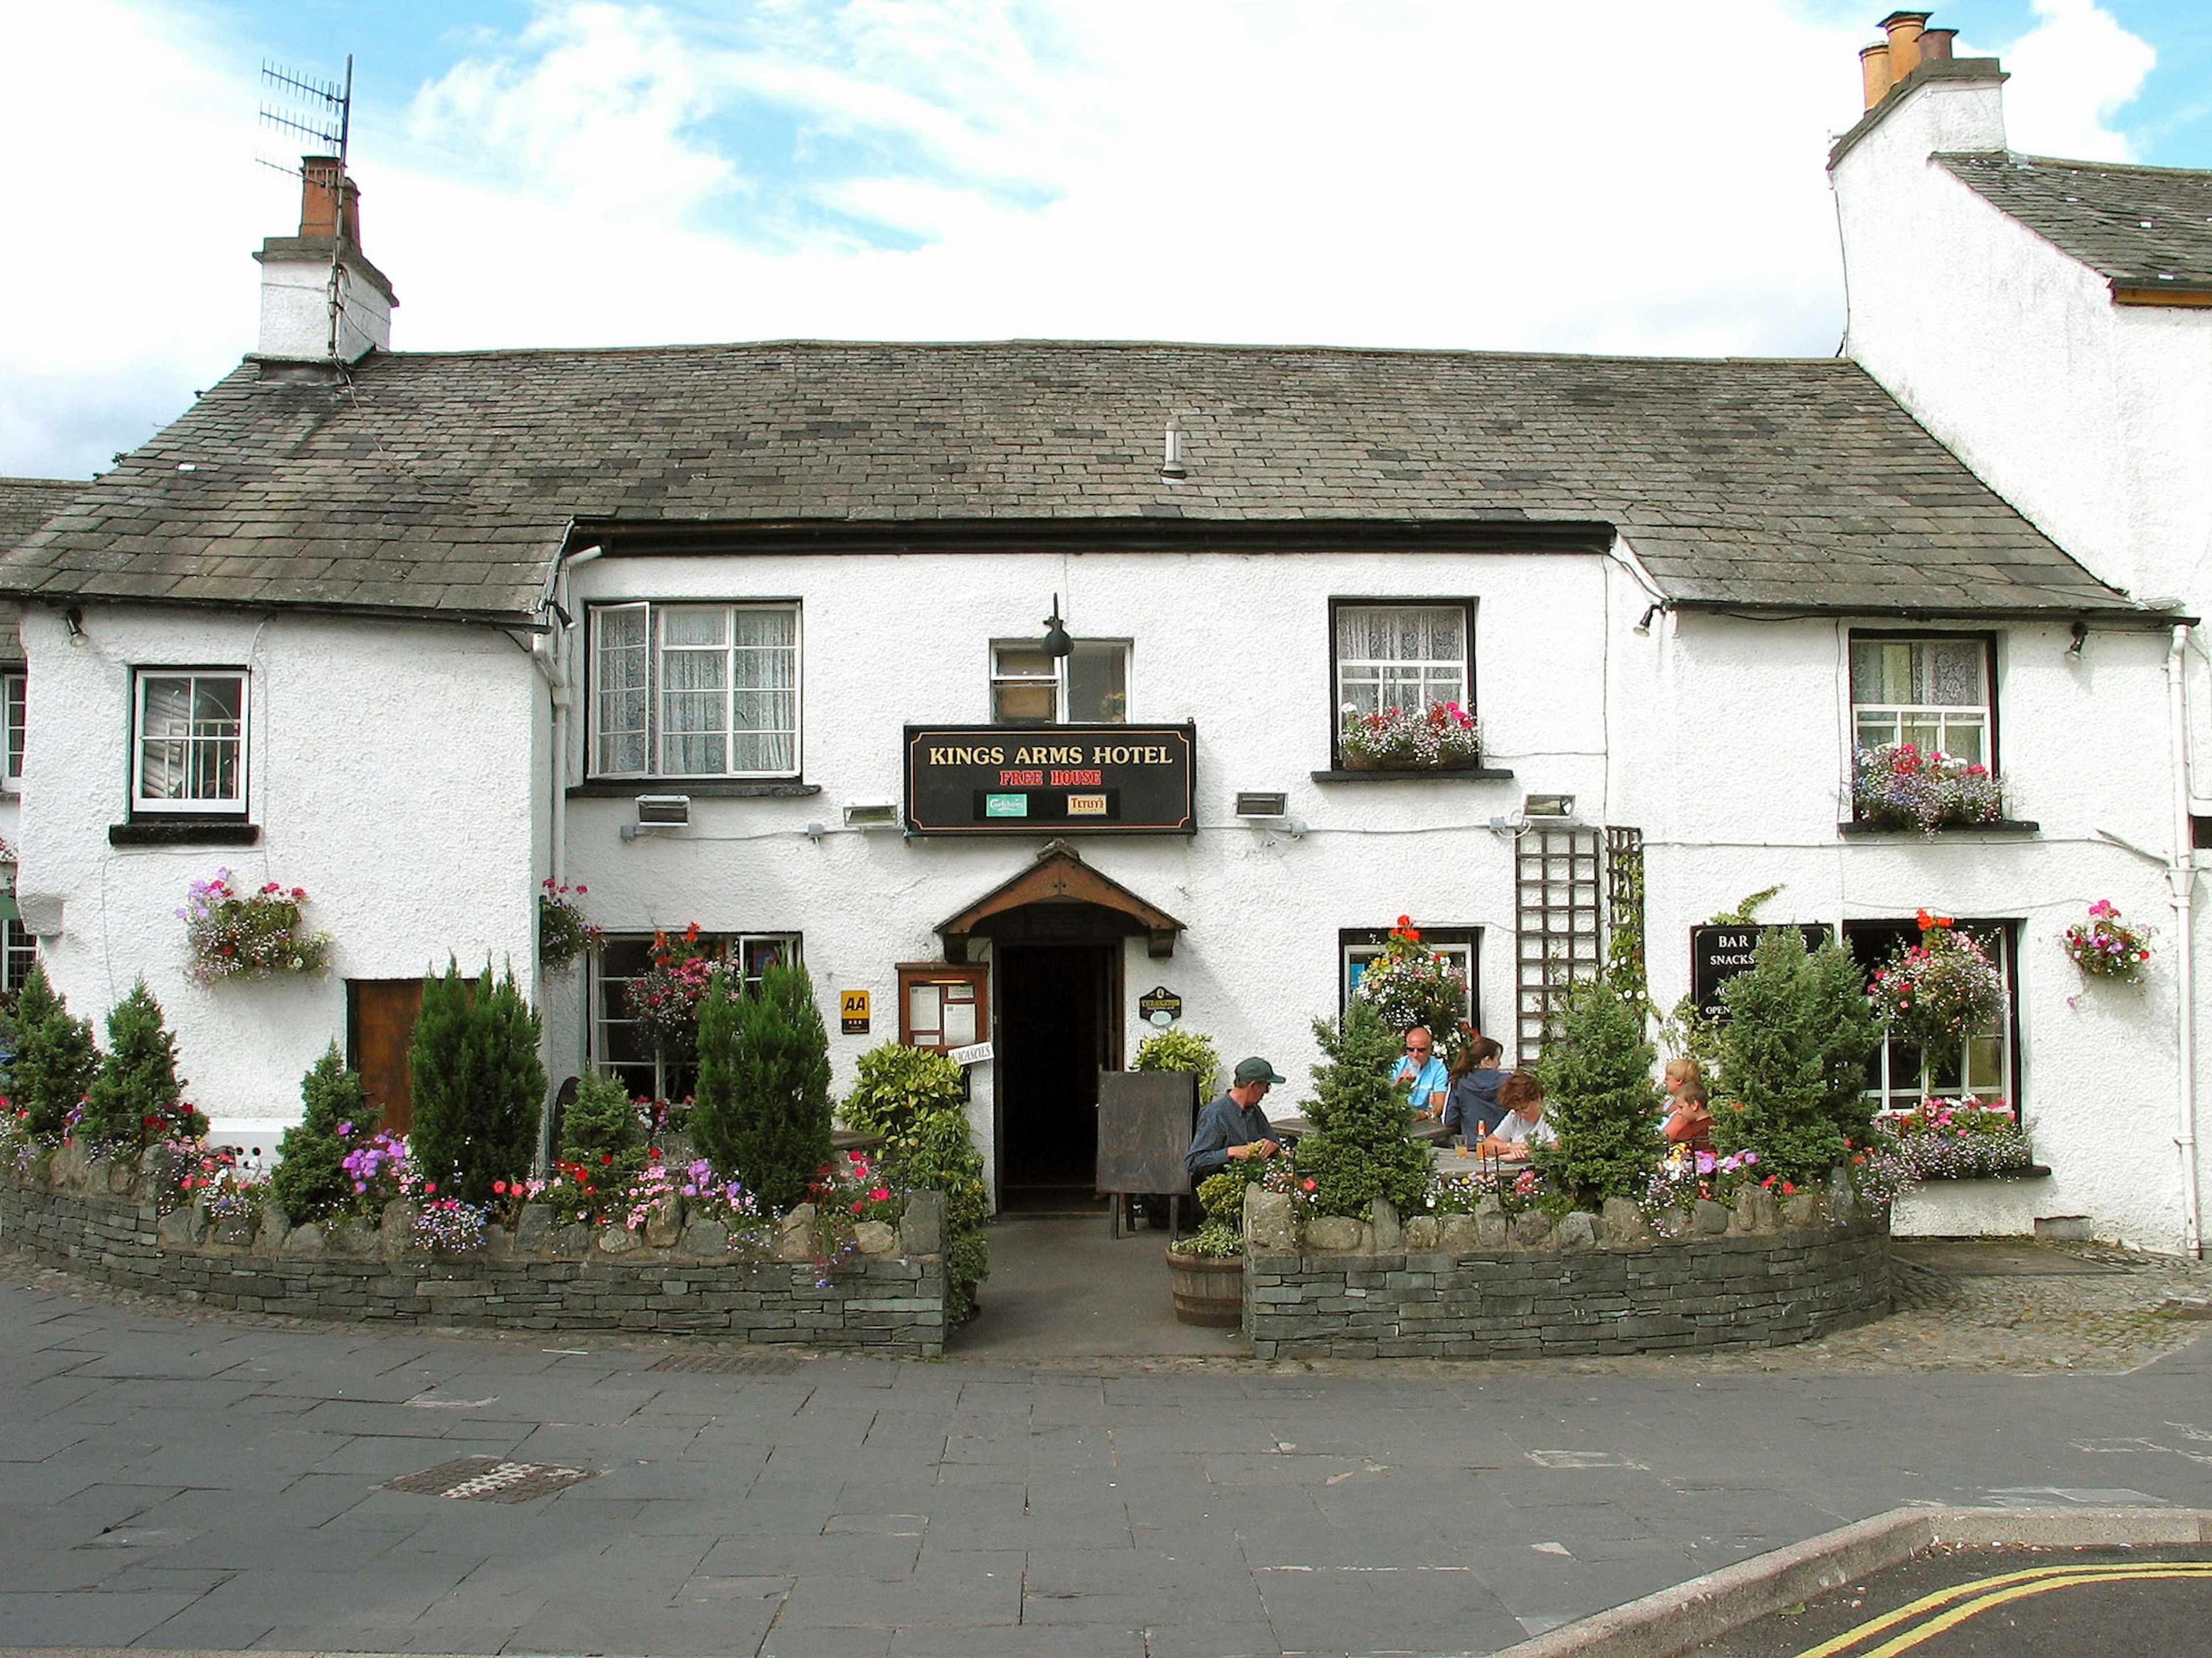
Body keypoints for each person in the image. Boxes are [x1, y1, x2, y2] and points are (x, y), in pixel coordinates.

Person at [1184, 1056, 1289, 1178]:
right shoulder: (1215, 1115)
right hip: (1224, 1188)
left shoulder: (1255, 1111)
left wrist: (1273, 1145)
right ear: (1253, 1086)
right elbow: (1194, 1162)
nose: (1267, 1092)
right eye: (1267, 1086)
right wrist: (1230, 1152)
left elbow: (1275, 1142)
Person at [1478, 1072, 1555, 1162]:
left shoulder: (1552, 1113)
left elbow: (1557, 1146)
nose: (1521, 1114)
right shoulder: (1514, 1116)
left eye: (1524, 1108)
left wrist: (1528, 1152)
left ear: (1538, 1098)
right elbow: (1487, 1145)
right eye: (1517, 1110)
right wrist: (1511, 1147)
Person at [1443, 1036, 1509, 1141]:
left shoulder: (1458, 1081)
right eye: (1498, 1059)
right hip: (1502, 1147)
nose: (1499, 1064)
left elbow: (1449, 1120)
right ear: (1487, 1061)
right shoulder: (1508, 1082)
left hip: (1473, 1146)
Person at [1393, 1026, 1450, 1120]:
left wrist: (1422, 1115)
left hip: (1424, 1120)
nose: (1415, 1055)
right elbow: (1384, 1097)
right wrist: (1399, 1085)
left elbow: (1439, 1105)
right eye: (1411, 1050)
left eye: (1421, 1050)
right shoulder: (1398, 1065)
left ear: (1430, 1050)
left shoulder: (1438, 1069)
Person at [1662, 1079, 1714, 1154]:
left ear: (1694, 1105)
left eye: (1681, 1107)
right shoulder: (1690, 1125)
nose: (1679, 1112)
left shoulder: (1706, 1130)